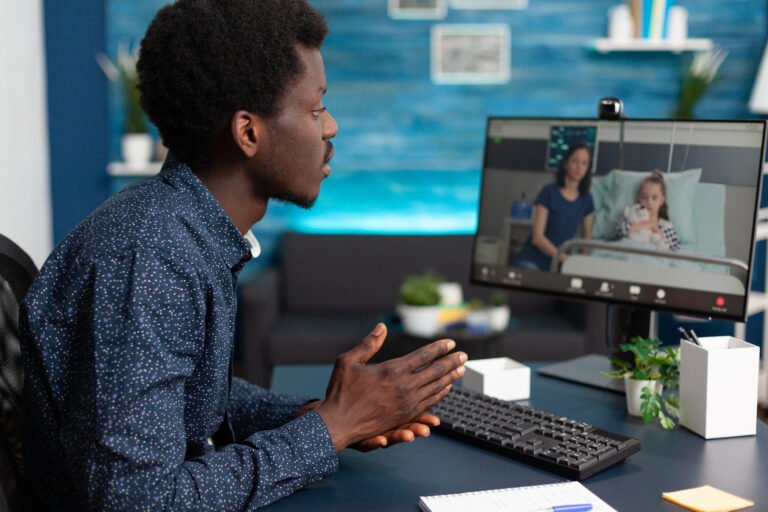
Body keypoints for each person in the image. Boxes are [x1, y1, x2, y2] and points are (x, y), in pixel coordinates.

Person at [19, 1, 467, 509]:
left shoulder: (182, 230)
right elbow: (139, 501)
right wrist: (332, 427)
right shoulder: (149, 257)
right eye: (316, 107)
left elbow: (187, 400)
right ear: (248, 132)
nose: (331, 127)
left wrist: (320, 417)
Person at [511, 141, 595, 271]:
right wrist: (564, 258)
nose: (579, 167)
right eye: (575, 161)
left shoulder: (587, 199)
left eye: (584, 163)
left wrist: (583, 257)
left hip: (560, 264)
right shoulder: (549, 193)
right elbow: (537, 238)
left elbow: (587, 236)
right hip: (533, 259)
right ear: (566, 164)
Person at [616, 170, 680, 251]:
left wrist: (659, 234)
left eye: (654, 198)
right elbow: (621, 234)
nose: (649, 202)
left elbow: (673, 252)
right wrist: (646, 225)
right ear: (639, 199)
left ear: (661, 201)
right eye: (644, 197)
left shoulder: (667, 227)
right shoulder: (631, 219)